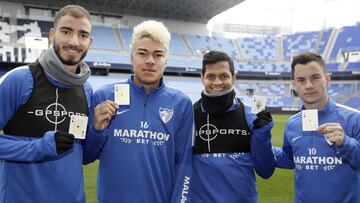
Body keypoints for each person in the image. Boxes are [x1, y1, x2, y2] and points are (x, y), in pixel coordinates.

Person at [84, 20, 194, 203]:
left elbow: (185, 164)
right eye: (142, 53)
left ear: (166, 60)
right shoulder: (104, 96)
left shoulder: (181, 104)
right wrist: (96, 129)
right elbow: (86, 156)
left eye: (158, 55)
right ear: (131, 57)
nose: (150, 60)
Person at [0, 5, 93, 202]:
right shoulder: (19, 80)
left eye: (83, 35)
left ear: (90, 42)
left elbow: (84, 155)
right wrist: (38, 148)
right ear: (52, 34)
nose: (74, 41)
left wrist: (99, 131)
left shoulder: (87, 90)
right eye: (66, 31)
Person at [273, 52, 360, 203]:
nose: (309, 85)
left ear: (327, 79)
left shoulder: (355, 118)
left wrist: (346, 143)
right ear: (294, 85)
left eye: (315, 77)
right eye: (301, 80)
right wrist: (257, 142)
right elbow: (288, 159)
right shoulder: (292, 123)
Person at [190, 50, 276, 203]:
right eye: (211, 76)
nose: (217, 82)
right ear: (202, 79)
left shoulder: (251, 114)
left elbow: (265, 170)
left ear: (234, 78)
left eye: (224, 76)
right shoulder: (189, 115)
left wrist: (263, 133)